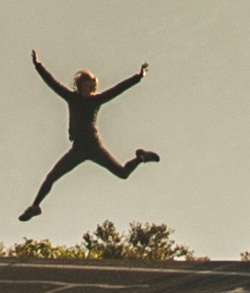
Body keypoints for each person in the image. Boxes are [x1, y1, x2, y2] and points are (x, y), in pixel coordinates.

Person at [19, 55, 158, 229]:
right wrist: (38, 66)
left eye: (93, 87)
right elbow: (52, 83)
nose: (90, 89)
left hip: (94, 147)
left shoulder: (96, 100)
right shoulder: (72, 98)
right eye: (88, 86)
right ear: (80, 86)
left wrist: (138, 77)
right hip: (77, 150)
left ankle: (141, 157)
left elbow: (117, 90)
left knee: (123, 173)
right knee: (52, 176)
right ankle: (35, 206)